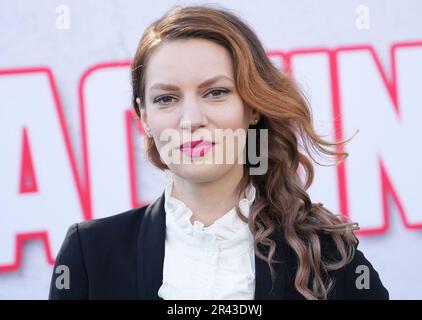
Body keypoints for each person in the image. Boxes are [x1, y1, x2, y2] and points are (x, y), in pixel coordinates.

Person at [49, 4, 389, 300]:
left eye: (215, 92)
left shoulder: (327, 254)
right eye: (166, 98)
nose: (191, 120)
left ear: (252, 107)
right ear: (144, 117)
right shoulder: (89, 255)